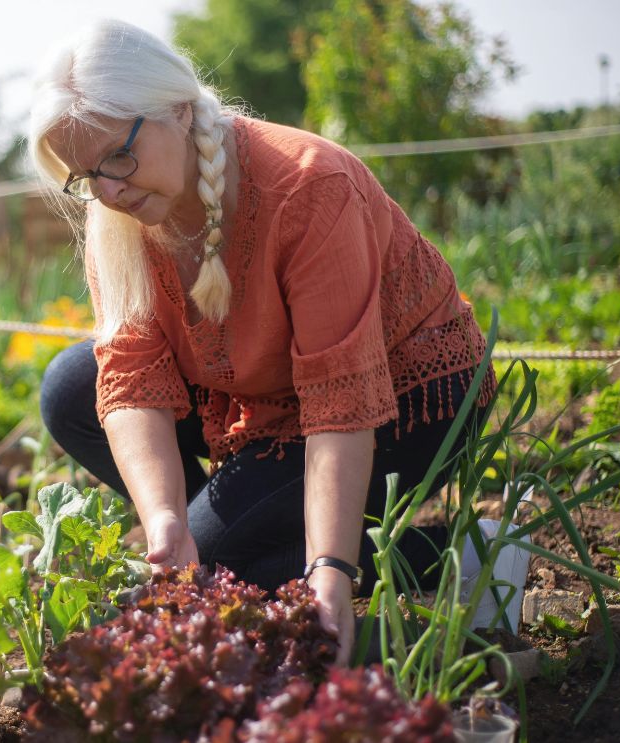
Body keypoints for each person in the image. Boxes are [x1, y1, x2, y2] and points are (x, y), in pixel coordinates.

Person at [29, 19, 506, 664]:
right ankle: (234, 536)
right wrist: (165, 519)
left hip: (407, 398)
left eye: (118, 156)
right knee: (70, 387)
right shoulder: (119, 215)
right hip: (263, 398)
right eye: (85, 176)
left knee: (221, 569)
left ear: (174, 108)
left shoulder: (309, 187)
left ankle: (465, 549)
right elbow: (132, 375)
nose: (108, 192)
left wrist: (331, 567)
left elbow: (340, 404)